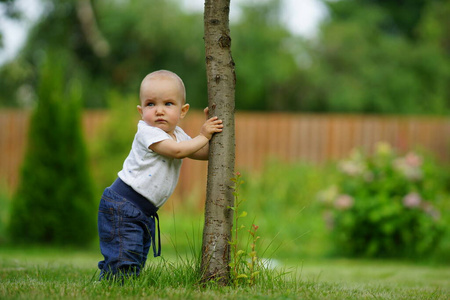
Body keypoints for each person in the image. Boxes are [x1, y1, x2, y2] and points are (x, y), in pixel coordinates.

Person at [97, 70, 223, 280]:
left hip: (141, 211)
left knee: (134, 258)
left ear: (183, 111)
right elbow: (178, 151)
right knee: (123, 261)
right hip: (122, 207)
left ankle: (121, 285)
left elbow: (203, 153)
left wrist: (212, 130)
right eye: (150, 104)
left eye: (168, 104)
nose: (159, 111)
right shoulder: (147, 132)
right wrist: (203, 134)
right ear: (141, 110)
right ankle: (114, 287)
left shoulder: (178, 135)